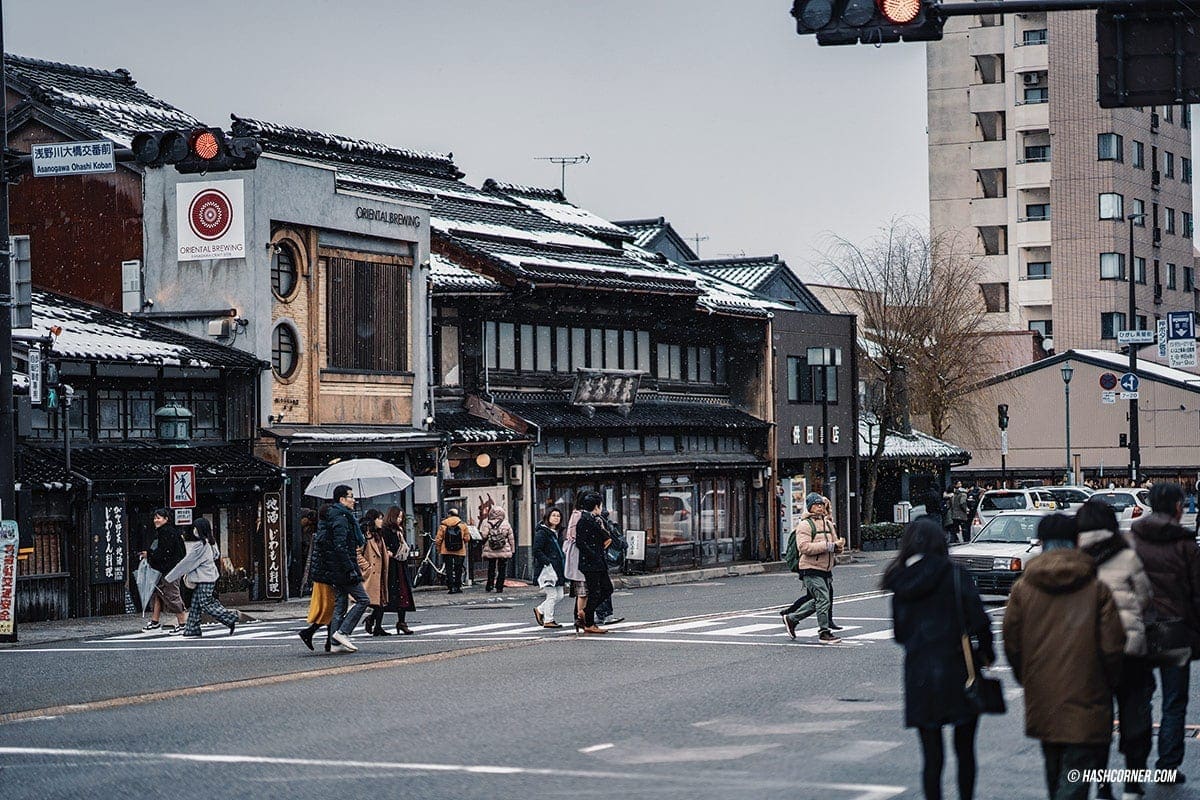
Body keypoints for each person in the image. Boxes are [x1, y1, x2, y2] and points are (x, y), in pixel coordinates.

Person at [1003, 514, 1126, 800]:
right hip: (1088, 691)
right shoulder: (1096, 588)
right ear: (1075, 542)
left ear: (1042, 542)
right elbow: (1112, 645)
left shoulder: (1023, 588)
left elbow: (1012, 643)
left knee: (1053, 764)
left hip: (1042, 692)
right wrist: (1108, 682)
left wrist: (1027, 676)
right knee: (1076, 772)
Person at [883, 516, 994, 800]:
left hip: (920, 673)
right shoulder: (957, 575)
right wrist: (985, 655)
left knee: (932, 756)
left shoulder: (902, 581)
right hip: (960, 668)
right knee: (965, 750)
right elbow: (980, 620)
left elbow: (899, 634)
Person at [1076, 499, 1154, 800]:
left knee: (1098, 723)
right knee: (1134, 715)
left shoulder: (1074, 559)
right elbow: (1145, 596)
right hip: (1129, 649)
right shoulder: (1126, 556)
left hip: (1090, 653)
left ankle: (1102, 784)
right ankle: (1133, 784)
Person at [1131, 482, 1200, 786]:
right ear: (1176, 507)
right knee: (1174, 702)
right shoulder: (1186, 544)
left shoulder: (1133, 539)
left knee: (1139, 698)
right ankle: (1167, 767)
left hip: (1139, 626)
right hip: (1174, 628)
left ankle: (1135, 764)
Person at [782, 493, 845, 643]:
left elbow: (834, 543)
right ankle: (824, 632)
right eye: (816, 505)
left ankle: (791, 619)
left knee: (821, 600)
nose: (820, 507)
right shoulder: (804, 524)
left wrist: (838, 547)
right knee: (823, 599)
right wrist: (829, 546)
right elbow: (803, 547)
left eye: (821, 505)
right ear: (809, 507)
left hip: (826, 568)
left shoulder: (828, 524)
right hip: (810, 568)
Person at [164, 518, 238, 638]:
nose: (194, 530)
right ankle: (192, 629)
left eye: (195, 528)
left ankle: (230, 617)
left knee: (205, 603)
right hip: (208, 578)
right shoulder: (210, 543)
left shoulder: (201, 546)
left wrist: (170, 577)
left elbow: (187, 563)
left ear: (200, 530)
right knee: (196, 604)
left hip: (205, 579)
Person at [325, 485, 368, 653]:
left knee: (341, 604)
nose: (354, 500)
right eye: (351, 496)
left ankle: (335, 644)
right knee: (363, 599)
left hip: (336, 568)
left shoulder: (339, 516)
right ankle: (343, 632)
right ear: (342, 500)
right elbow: (340, 546)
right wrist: (350, 569)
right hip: (343, 568)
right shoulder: (342, 519)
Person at [139, 508, 187, 634]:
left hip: (169, 570)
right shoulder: (170, 531)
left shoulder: (165, 532)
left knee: (171, 595)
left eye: (159, 517)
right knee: (158, 594)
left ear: (166, 519)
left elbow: (164, 552)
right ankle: (155, 622)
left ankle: (183, 623)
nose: (156, 520)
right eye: (155, 518)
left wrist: (149, 555)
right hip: (170, 568)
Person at [298, 503, 336, 651]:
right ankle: (312, 633)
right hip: (326, 576)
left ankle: (325, 639)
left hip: (322, 575)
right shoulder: (325, 532)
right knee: (330, 608)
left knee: (329, 608)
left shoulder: (321, 531)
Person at [575, 491, 612, 635]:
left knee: (606, 588)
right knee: (596, 591)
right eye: (600, 505)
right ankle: (589, 622)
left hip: (597, 561)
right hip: (591, 563)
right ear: (596, 506)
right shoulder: (584, 519)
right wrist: (594, 555)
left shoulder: (594, 518)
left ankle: (586, 612)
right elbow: (581, 542)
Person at [380, 506, 415, 635]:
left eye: (401, 517)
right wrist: (388, 551)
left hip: (400, 563)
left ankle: (402, 622)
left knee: (403, 593)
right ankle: (374, 620)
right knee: (389, 594)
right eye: (398, 517)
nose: (400, 520)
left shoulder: (399, 530)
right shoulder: (386, 530)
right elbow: (386, 547)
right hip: (391, 565)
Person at [357, 509, 391, 636]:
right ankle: (373, 622)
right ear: (373, 520)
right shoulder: (365, 535)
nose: (381, 521)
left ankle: (377, 625)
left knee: (381, 600)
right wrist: (366, 566)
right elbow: (357, 552)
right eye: (379, 518)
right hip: (372, 572)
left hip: (380, 570)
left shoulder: (378, 535)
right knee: (373, 601)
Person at [532, 507, 567, 628]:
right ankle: (548, 620)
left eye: (558, 516)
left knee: (560, 595)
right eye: (553, 515)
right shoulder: (542, 532)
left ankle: (540, 610)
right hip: (547, 569)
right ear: (547, 517)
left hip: (557, 568)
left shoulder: (557, 532)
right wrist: (547, 562)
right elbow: (536, 550)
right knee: (552, 595)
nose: (556, 518)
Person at [594, 509, 626, 626]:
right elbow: (611, 540)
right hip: (603, 559)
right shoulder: (604, 523)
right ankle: (606, 614)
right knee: (605, 588)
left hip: (598, 559)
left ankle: (599, 614)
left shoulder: (595, 521)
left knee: (598, 588)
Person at [480, 505, 515, 593]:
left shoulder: (487, 523)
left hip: (491, 547)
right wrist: (512, 549)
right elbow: (511, 538)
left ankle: (490, 585)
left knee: (491, 567)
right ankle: (499, 587)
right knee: (502, 568)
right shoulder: (506, 523)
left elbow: (484, 535)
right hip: (503, 547)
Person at [435, 507, 468, 594]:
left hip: (446, 550)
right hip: (460, 550)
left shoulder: (443, 525)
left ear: (448, 515)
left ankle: (451, 587)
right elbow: (467, 538)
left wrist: (439, 549)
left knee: (448, 568)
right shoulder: (463, 525)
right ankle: (458, 586)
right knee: (458, 569)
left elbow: (438, 539)